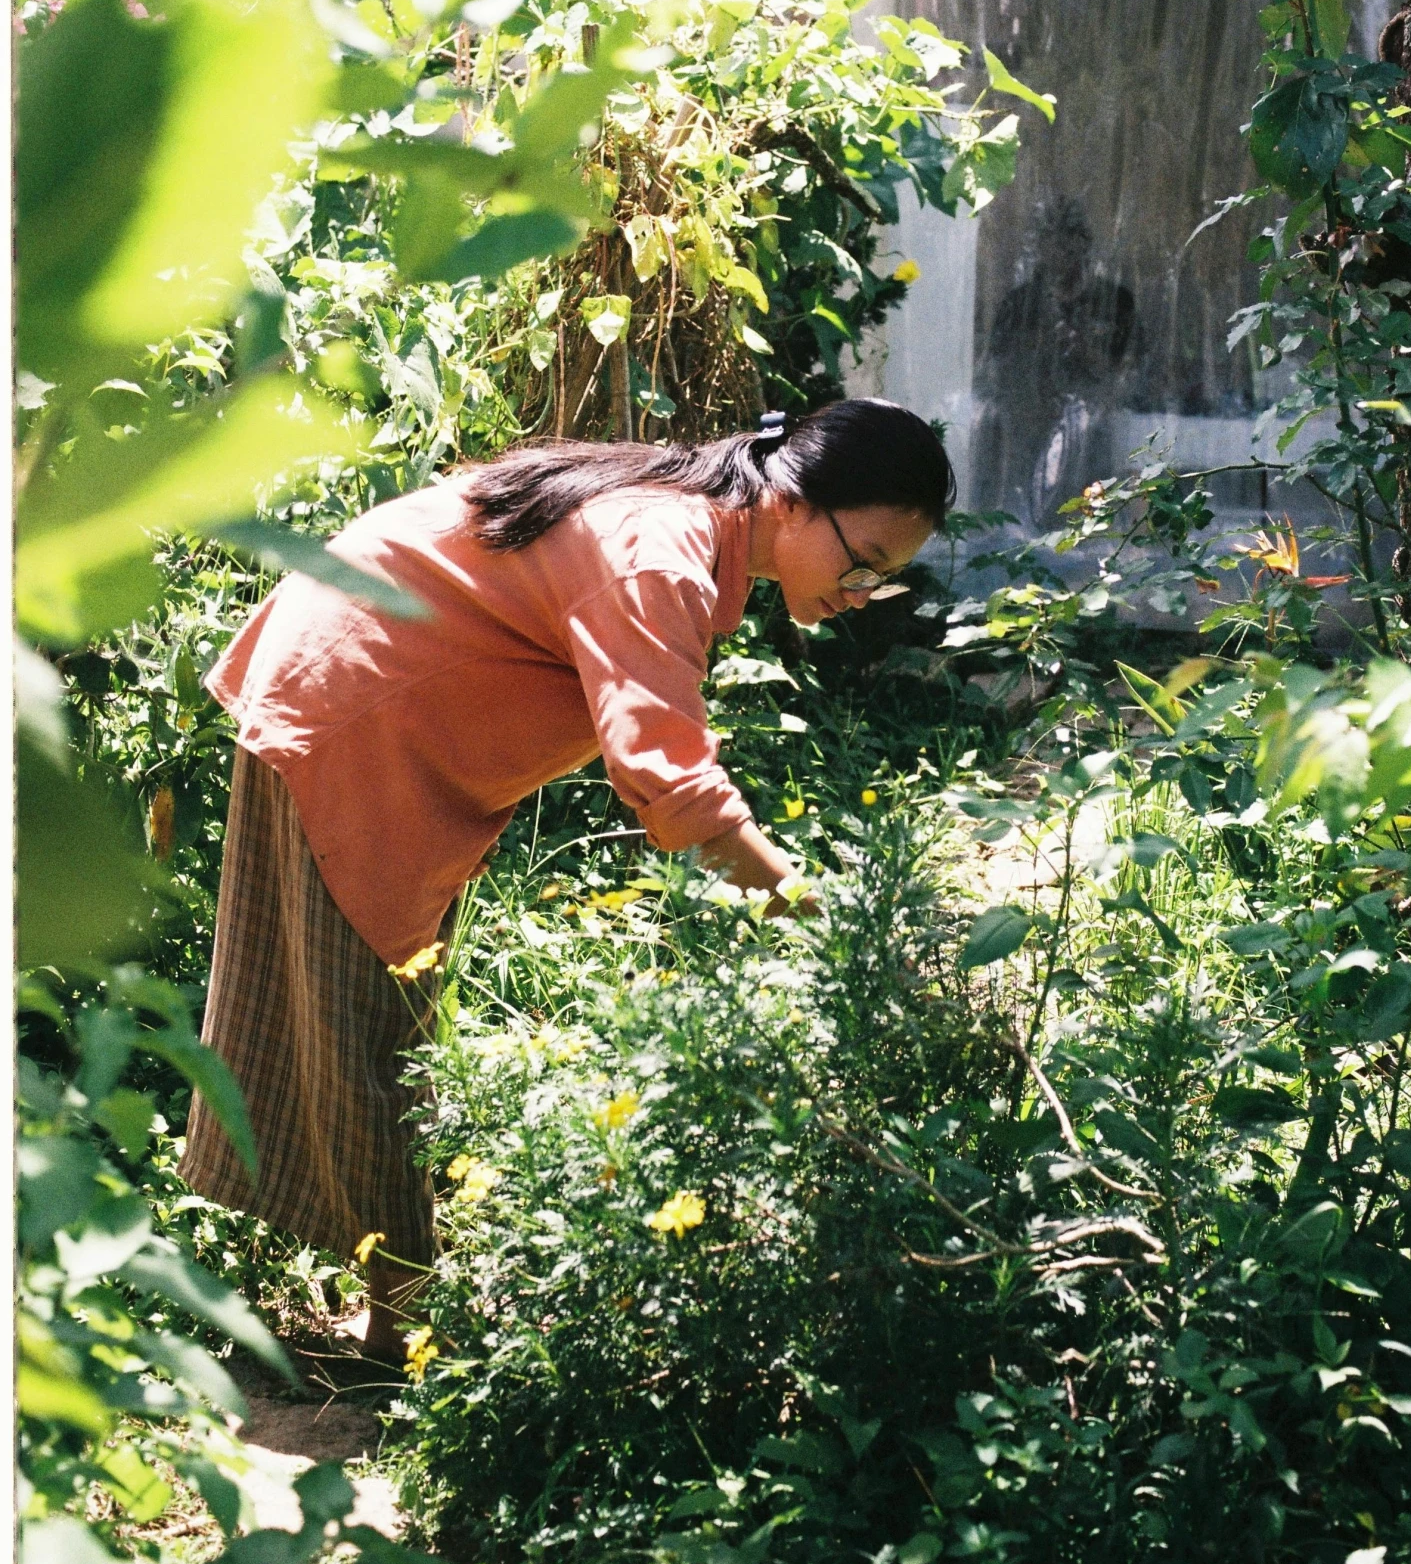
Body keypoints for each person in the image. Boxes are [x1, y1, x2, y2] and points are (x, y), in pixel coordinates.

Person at [181, 399, 953, 1361]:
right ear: (793, 502)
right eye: (865, 561)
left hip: (363, 696)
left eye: (884, 579)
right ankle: (401, 1337)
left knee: (354, 1007)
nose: (861, 592)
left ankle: (364, 1302)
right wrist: (805, 910)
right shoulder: (660, 546)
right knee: (369, 1031)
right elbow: (664, 775)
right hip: (354, 713)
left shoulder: (685, 518)